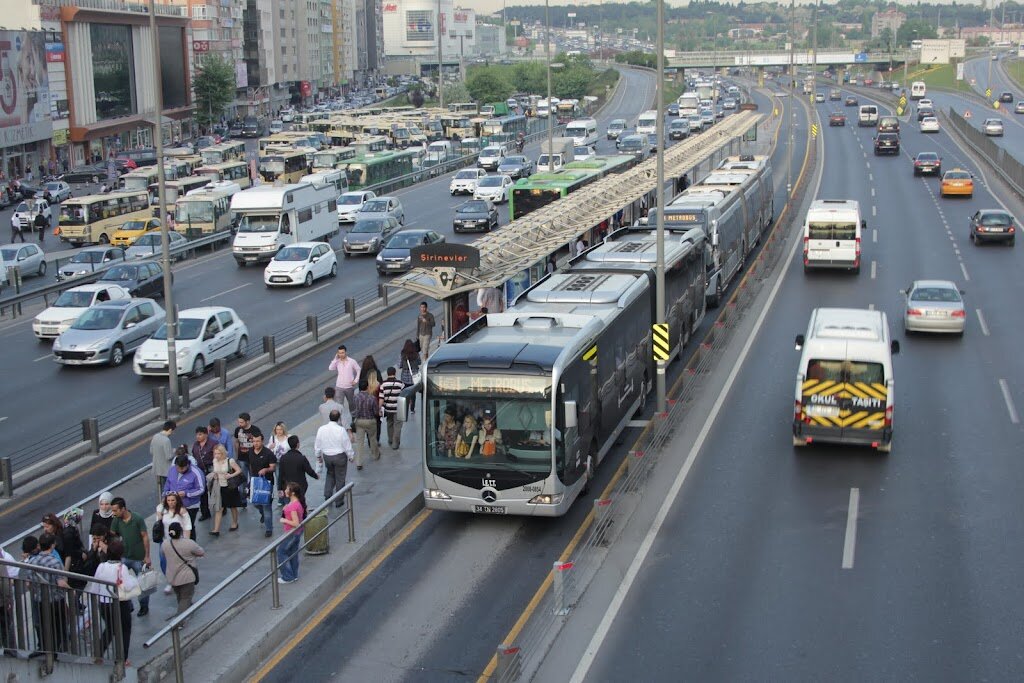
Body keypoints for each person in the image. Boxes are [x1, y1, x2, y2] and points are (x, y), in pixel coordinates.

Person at [87, 539, 136, 663]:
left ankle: (98, 654)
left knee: (110, 628)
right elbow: (127, 586)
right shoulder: (122, 568)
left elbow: (94, 586)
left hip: (104, 603)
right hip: (120, 602)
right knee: (125, 629)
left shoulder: (101, 566)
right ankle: (122, 658)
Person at [21, 534, 69, 657]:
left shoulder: (32, 562)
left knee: (44, 625)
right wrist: (71, 590)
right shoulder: (55, 562)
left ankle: (45, 649)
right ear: (52, 545)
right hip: (56, 600)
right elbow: (61, 582)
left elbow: (28, 584)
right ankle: (54, 652)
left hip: (40, 599)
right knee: (58, 626)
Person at [109, 498, 151, 616]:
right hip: (124, 557)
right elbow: (113, 535)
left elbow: (145, 537)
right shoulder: (116, 520)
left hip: (139, 557)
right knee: (121, 583)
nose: (114, 513)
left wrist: (147, 556)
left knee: (143, 584)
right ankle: (128, 605)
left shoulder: (137, 519)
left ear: (123, 509)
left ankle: (144, 606)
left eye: (116, 510)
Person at [161, 522, 203, 616]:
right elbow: (201, 552)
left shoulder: (165, 544)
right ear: (180, 532)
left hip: (172, 577)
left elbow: (163, 554)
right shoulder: (188, 543)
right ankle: (180, 621)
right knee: (185, 598)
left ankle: (186, 609)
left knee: (180, 596)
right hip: (187, 577)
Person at [315, 410, 355, 504]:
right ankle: (339, 500)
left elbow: (318, 444)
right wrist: (351, 456)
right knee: (340, 477)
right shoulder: (341, 430)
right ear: (339, 418)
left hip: (327, 456)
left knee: (330, 474)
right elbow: (346, 444)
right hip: (340, 456)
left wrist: (318, 456)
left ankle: (327, 495)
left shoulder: (321, 429)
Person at [155, 492, 191, 594]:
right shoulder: (162, 510)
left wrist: (186, 542)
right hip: (165, 540)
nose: (171, 502)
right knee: (163, 562)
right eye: (169, 500)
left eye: (173, 500)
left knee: (176, 562)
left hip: (178, 541)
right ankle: (170, 579)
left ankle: (174, 581)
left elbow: (187, 526)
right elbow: (158, 517)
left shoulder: (182, 511)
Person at [163, 455, 205, 540]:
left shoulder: (196, 472)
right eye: (178, 468)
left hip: (190, 505)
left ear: (187, 465)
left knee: (188, 526)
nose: (180, 471)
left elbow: (201, 489)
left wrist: (186, 493)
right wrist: (165, 494)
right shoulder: (172, 470)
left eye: (182, 469)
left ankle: (191, 544)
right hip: (174, 504)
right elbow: (168, 483)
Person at [207, 444, 243, 535]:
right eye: (215, 453)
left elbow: (239, 470)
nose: (217, 455)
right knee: (219, 508)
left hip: (230, 486)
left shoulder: (230, 461)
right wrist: (214, 475)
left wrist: (230, 475)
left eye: (219, 453)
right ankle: (216, 529)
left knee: (232, 506)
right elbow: (215, 471)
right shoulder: (214, 461)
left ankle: (235, 523)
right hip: (219, 486)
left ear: (223, 453)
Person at [41, 512, 86, 585]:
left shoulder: (64, 536)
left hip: (71, 568)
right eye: (44, 527)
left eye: (47, 526)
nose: (45, 529)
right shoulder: (47, 538)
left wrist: (65, 574)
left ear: (54, 526)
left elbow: (68, 556)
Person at [276, 483, 307, 584]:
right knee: (293, 553)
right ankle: (294, 575)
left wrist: (284, 520)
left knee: (281, 552)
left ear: (292, 492)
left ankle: (288, 576)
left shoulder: (293, 506)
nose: (285, 491)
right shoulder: (297, 503)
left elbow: (296, 523)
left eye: (287, 489)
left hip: (291, 533)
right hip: (297, 533)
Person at [248, 433, 277, 537]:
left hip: (267, 482)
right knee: (255, 502)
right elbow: (250, 465)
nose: (255, 443)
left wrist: (266, 469)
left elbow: (273, 467)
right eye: (254, 441)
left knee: (266, 506)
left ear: (262, 441)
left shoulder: (268, 453)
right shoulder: (250, 451)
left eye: (258, 441)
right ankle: (263, 513)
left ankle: (269, 528)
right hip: (255, 481)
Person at [352, 380, 380, 469]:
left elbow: (354, 410)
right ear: (367, 387)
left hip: (359, 421)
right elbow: (376, 411)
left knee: (360, 442)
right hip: (370, 421)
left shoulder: (355, 397)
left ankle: (359, 463)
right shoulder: (372, 398)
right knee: (372, 438)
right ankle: (375, 455)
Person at [233, 414, 259, 505]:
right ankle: (243, 499)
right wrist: (236, 456)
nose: (239, 424)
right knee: (242, 480)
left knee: (253, 479)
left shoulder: (255, 430)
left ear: (247, 421)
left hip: (252, 459)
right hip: (242, 459)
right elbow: (236, 442)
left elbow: (259, 443)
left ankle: (252, 496)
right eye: (239, 422)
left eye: (241, 422)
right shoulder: (238, 430)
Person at [191, 426, 216, 521]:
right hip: (200, 471)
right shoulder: (195, 445)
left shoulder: (213, 443)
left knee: (214, 491)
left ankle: (221, 508)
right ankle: (205, 512)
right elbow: (194, 456)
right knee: (202, 492)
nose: (198, 436)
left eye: (200, 434)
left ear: (206, 434)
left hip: (211, 470)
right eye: (197, 434)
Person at [380, 367, 405, 450]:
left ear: (387, 373)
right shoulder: (400, 383)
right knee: (397, 426)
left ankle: (390, 439)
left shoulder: (383, 384)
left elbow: (381, 398)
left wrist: (379, 408)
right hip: (398, 408)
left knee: (389, 423)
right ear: (395, 373)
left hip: (387, 408)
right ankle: (395, 443)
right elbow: (404, 395)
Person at [360, 356, 383, 445]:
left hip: (366, 402)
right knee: (377, 422)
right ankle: (376, 439)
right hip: (376, 402)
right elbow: (381, 385)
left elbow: (360, 387)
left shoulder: (363, 373)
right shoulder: (377, 372)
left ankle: (370, 440)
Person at [329, 345, 361, 410]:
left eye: (342, 352)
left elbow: (358, 369)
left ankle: (353, 418)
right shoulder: (337, 362)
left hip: (349, 387)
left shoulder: (352, 361)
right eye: (339, 353)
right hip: (339, 387)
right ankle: (340, 419)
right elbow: (330, 368)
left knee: (352, 404)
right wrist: (335, 359)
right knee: (339, 405)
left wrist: (356, 380)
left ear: (346, 352)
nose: (341, 354)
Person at [150, 420, 176, 500]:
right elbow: (169, 456)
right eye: (173, 431)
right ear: (170, 430)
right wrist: (174, 451)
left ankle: (161, 503)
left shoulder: (155, 436)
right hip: (166, 470)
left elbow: (151, 451)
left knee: (160, 489)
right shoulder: (166, 440)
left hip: (157, 468)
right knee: (167, 490)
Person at [399, 340, 420, 414]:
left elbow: (400, 365)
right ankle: (412, 408)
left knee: (405, 392)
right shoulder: (416, 354)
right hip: (413, 376)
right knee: (413, 393)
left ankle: (406, 406)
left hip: (405, 376)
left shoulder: (403, 354)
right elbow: (419, 362)